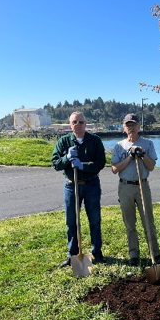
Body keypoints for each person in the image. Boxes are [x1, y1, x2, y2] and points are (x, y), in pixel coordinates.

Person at [51, 111, 107, 267]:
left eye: (81, 122)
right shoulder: (63, 142)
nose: (78, 125)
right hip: (71, 185)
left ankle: (97, 253)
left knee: (94, 220)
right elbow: (55, 163)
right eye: (75, 122)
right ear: (70, 125)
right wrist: (66, 158)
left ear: (86, 124)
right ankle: (72, 255)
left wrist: (84, 165)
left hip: (91, 185)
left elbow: (101, 162)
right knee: (71, 221)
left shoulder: (95, 141)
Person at [110, 113, 160, 267]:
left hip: (142, 186)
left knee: (148, 221)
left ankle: (155, 253)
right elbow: (114, 169)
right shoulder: (119, 146)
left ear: (139, 126)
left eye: (133, 124)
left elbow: (151, 166)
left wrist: (142, 154)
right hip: (125, 186)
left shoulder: (147, 144)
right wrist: (130, 158)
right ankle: (134, 254)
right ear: (124, 127)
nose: (131, 128)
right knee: (130, 223)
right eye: (128, 125)